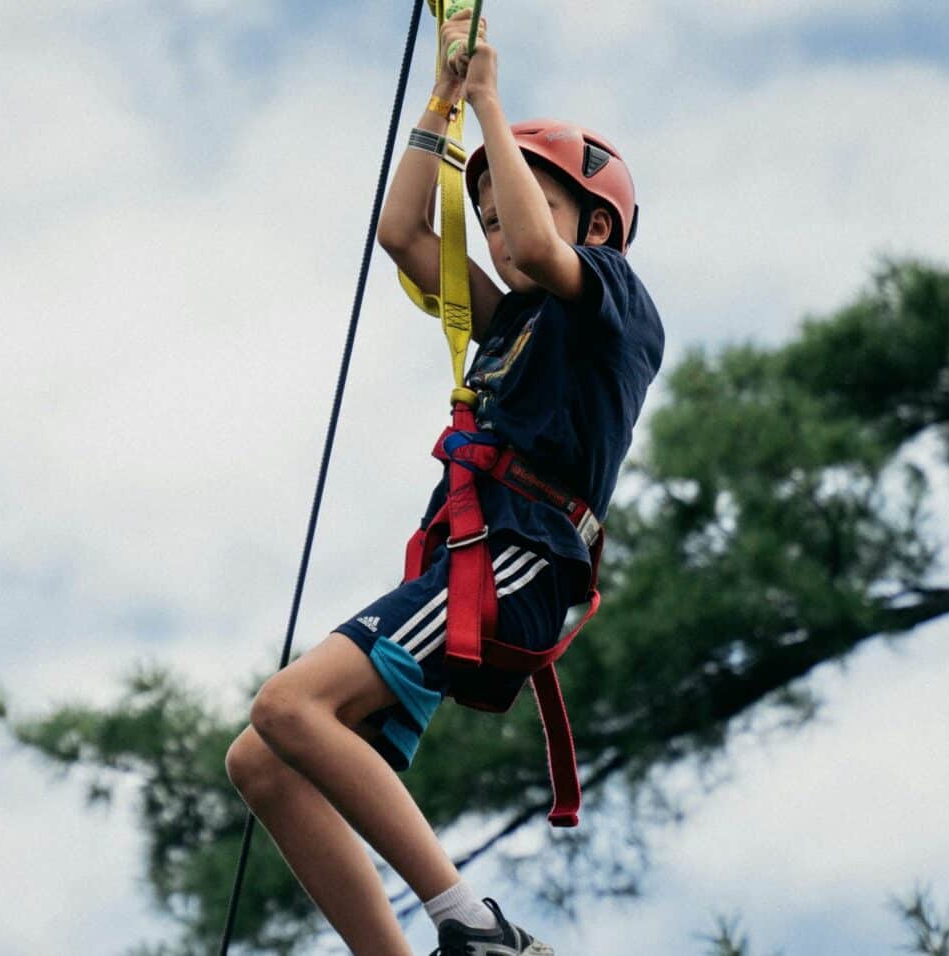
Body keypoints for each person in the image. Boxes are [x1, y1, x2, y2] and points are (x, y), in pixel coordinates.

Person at [222, 9, 664, 955]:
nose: (502, 237)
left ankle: (476, 929)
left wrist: (494, 103)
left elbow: (552, 257)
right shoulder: (505, 325)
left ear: (593, 225)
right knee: (263, 759)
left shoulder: (615, 306)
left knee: (288, 706)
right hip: (469, 565)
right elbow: (401, 232)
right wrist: (444, 105)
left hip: (519, 563)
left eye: (519, 210)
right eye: (491, 222)